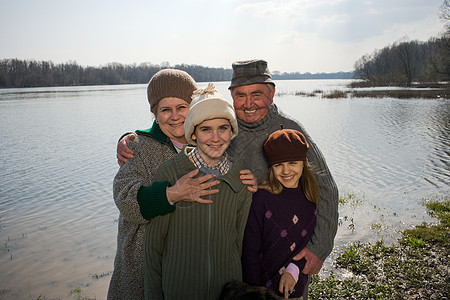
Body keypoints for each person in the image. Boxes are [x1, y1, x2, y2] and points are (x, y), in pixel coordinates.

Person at [117, 60, 339, 298]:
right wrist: (133, 144)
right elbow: (130, 197)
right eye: (240, 95)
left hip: (280, 261)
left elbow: (326, 188)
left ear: (272, 93)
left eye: (257, 94)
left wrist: (319, 248)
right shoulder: (156, 146)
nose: (249, 103)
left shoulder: (287, 131)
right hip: (167, 270)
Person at [109, 70, 232, 300]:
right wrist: (172, 193)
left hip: (190, 269)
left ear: (194, 107)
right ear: (155, 114)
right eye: (165, 109)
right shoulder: (138, 147)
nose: (174, 116)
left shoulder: (211, 141)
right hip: (142, 267)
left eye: (182, 107)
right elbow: (125, 199)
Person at [143, 84, 252, 299]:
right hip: (179, 290)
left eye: (223, 128)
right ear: (192, 133)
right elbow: (153, 250)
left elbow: (238, 244)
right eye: (205, 129)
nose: (215, 138)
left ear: (232, 131)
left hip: (227, 292)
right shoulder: (170, 172)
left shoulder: (241, 176)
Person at [242, 127, 319, 300]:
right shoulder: (261, 199)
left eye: (293, 163)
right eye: (278, 165)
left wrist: (294, 269)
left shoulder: (310, 198)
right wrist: (254, 292)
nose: (286, 171)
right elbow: (250, 251)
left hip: (294, 290)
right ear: (271, 167)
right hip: (261, 291)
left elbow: (307, 245)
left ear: (303, 163)